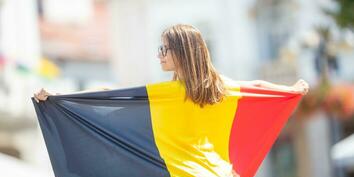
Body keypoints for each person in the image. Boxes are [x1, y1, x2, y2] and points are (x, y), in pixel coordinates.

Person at [34, 24, 309, 104]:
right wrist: (292, 90)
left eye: (164, 48)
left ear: (181, 52)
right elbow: (258, 86)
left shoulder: (166, 95)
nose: (159, 54)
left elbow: (111, 92)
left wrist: (60, 97)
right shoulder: (219, 88)